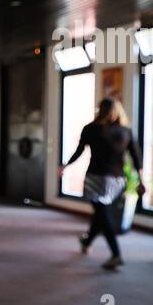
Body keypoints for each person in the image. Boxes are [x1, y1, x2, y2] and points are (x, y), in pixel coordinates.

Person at [59, 98, 145, 271]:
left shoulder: (90, 129)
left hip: (95, 178)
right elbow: (136, 158)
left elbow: (79, 150)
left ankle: (116, 254)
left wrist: (66, 166)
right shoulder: (126, 131)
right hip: (117, 181)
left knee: (102, 214)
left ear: (100, 110)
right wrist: (142, 181)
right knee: (101, 212)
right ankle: (87, 241)